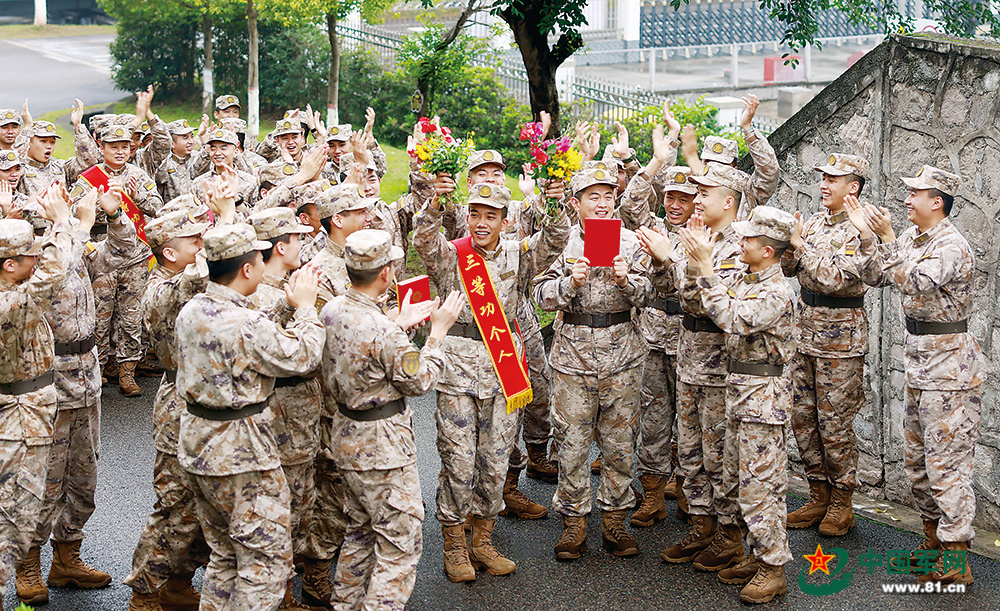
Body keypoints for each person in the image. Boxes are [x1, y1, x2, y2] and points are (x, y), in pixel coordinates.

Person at [414, 182, 568, 581]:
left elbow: (556, 237)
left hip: (503, 369)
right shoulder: (453, 255)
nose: (482, 223)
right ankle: (454, 544)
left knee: (496, 460)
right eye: (476, 214)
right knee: (457, 460)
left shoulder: (520, 254)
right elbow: (424, 240)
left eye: (491, 216)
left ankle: (483, 540)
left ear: (506, 219)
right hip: (459, 370)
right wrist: (435, 202)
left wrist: (554, 199)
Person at [175, 223, 325, 609]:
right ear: (246, 269)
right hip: (242, 452)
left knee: (225, 554)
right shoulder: (247, 323)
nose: (264, 265)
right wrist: (306, 309)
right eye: (260, 259)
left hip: (198, 444)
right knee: (266, 562)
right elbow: (303, 356)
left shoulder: (192, 309)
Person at [848, 165, 983, 586]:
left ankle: (957, 558)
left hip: (950, 368)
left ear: (937, 201)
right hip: (920, 360)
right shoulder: (913, 238)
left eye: (915, 193)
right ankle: (931, 547)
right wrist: (869, 237)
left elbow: (916, 280)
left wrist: (887, 239)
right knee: (918, 462)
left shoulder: (951, 245)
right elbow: (875, 276)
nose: (907, 199)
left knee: (947, 463)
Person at [322, 228, 464, 611]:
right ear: (386, 274)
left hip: (346, 433)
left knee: (361, 532)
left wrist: (395, 324)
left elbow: (364, 341)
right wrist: (436, 333)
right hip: (382, 444)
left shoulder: (332, 309)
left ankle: (346, 604)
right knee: (401, 542)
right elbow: (420, 379)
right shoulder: (387, 334)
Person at [18, 182, 138, 605]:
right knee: (43, 481)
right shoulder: (33, 268)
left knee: (83, 477)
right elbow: (54, 266)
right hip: (48, 380)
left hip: (86, 374)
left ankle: (67, 557)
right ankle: (28, 561)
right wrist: (72, 227)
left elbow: (127, 255)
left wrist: (114, 215)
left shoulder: (77, 250)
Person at [675, 205, 797, 604]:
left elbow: (732, 318)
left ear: (768, 250)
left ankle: (773, 566)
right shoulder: (750, 278)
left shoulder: (776, 290)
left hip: (762, 396)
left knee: (762, 486)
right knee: (739, 480)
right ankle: (755, 553)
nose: (739, 243)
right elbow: (708, 303)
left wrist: (706, 264)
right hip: (739, 389)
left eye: (748, 240)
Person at [534, 166, 653, 561]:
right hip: (574, 358)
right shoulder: (561, 243)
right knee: (571, 443)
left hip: (622, 357)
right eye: (592, 197)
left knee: (620, 444)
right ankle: (573, 522)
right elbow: (539, 294)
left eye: (607, 196)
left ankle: (614, 521)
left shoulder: (631, 242)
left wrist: (627, 281)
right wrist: (570, 283)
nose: (602, 204)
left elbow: (651, 291)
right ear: (576, 203)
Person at [657, 163, 750, 571]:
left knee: (719, 455)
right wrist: (665, 262)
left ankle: (729, 534)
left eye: (706, 193)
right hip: (690, 355)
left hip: (719, 364)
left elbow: (712, 304)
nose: (697, 199)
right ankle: (701, 524)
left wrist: (675, 261)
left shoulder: (741, 245)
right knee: (691, 451)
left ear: (728, 202)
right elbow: (671, 293)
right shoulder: (698, 236)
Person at [781, 153, 875, 535]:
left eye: (833, 179)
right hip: (805, 333)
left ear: (852, 187)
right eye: (822, 177)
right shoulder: (816, 223)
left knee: (834, 424)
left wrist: (802, 249)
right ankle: (817, 494)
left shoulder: (861, 227)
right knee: (803, 419)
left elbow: (837, 279)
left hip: (841, 340)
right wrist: (792, 247)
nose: (823, 184)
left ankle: (842, 501)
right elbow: (789, 269)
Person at [124, 209, 211, 611]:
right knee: (175, 505)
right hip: (180, 407)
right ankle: (143, 591)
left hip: (209, 403)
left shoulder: (190, 281)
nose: (202, 244)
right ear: (170, 253)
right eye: (193, 240)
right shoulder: (160, 289)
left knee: (203, 505)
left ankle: (178, 582)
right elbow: (196, 275)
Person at [620, 117, 696, 528]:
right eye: (670, 197)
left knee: (688, 419)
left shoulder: (705, 235)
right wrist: (654, 162)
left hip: (687, 339)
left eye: (684, 198)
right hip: (651, 335)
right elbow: (630, 203)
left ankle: (686, 488)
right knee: (652, 416)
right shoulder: (652, 229)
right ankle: (652, 493)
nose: (675, 204)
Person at [248, 207, 324, 610]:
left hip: (299, 416)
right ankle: (278, 599)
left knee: (299, 504)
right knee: (283, 511)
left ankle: (284, 593)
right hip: (281, 417)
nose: (304, 243)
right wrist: (304, 309)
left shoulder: (286, 286)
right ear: (281, 246)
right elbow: (299, 357)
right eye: (298, 238)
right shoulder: (266, 296)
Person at [0, 192, 72, 606]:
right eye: (30, 254)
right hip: (20, 419)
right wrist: (61, 223)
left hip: (22, 409)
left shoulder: (10, 286)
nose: (37, 260)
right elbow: (54, 272)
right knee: (15, 516)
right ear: (10, 265)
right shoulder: (13, 300)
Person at [69, 124, 162, 397]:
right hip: (103, 255)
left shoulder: (138, 175)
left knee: (132, 317)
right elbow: (75, 212)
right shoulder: (88, 179)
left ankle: (128, 373)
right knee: (100, 316)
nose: (120, 151)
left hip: (135, 255)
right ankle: (97, 370)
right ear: (102, 148)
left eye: (124, 146)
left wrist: (134, 198)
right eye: (113, 146)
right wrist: (107, 205)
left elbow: (157, 205)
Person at [679, 94, 778, 220]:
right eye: (708, 163)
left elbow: (769, 171)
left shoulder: (747, 192)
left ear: (734, 169)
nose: (713, 169)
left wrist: (748, 128)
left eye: (721, 165)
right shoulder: (695, 188)